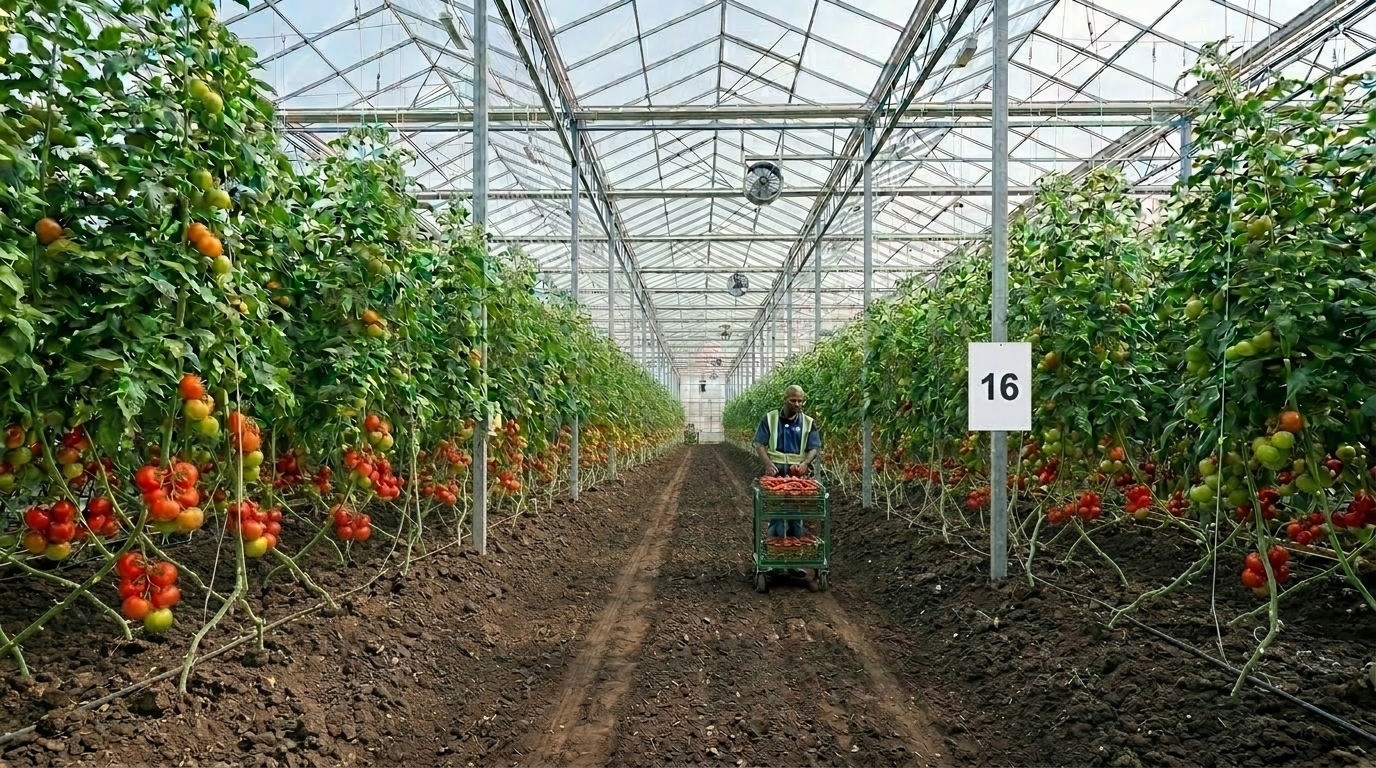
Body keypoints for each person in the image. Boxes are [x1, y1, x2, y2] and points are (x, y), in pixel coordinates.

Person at [752, 385, 821, 539]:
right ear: (784, 400)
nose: (797, 404)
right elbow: (759, 443)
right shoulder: (770, 418)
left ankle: (794, 551)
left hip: (796, 476)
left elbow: (814, 447)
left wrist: (805, 464)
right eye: (793, 400)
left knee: (796, 513)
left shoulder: (808, 422)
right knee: (776, 512)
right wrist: (768, 464)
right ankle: (775, 548)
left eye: (800, 401)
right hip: (775, 474)